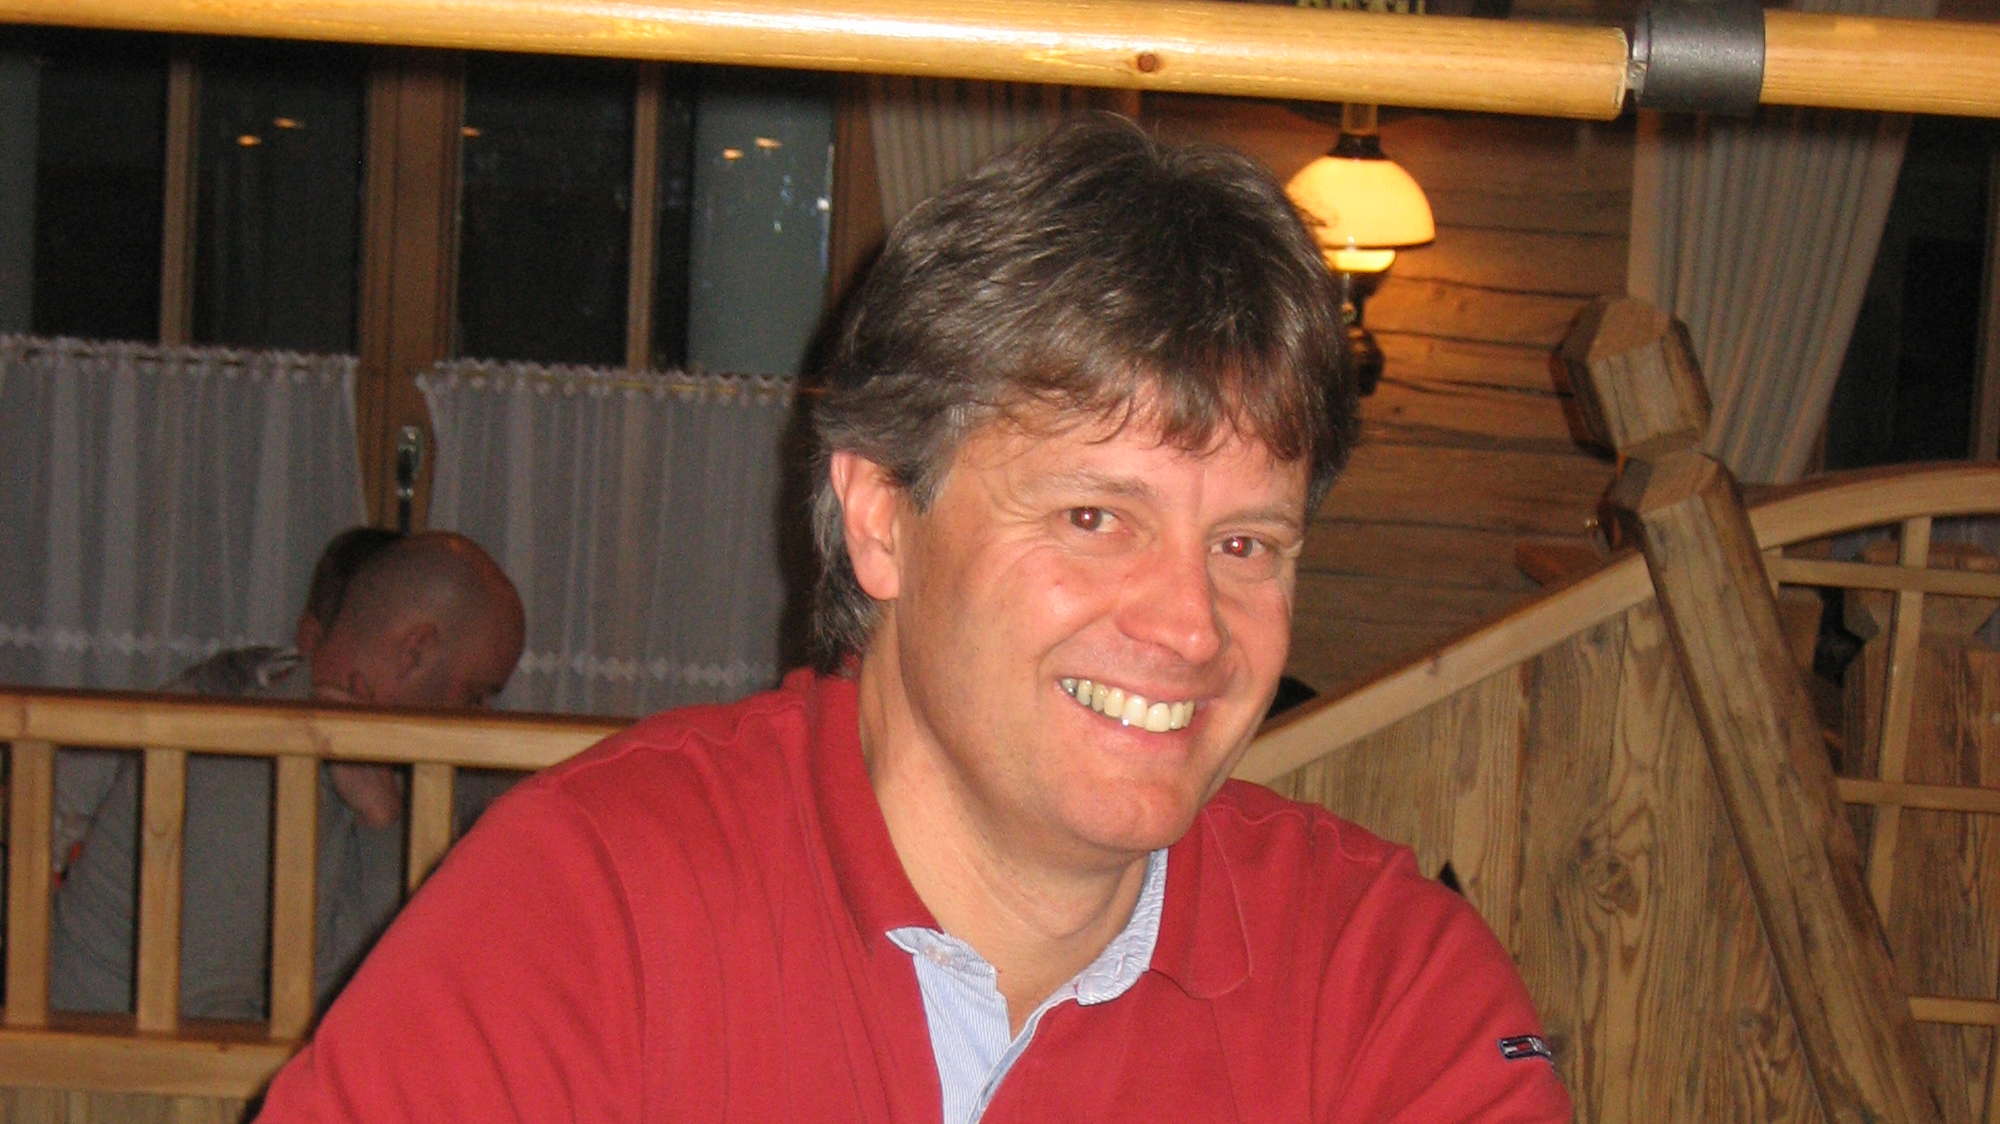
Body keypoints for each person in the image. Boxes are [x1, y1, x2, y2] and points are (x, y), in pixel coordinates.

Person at [257, 117, 1570, 1119]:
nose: (1191, 628)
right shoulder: (586, 903)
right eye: (1093, 517)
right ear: (880, 516)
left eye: (1245, 544)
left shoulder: (1383, 984)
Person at [50, 529, 525, 1021]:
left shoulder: (374, 766)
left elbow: (385, 986)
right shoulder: (240, 763)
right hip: (109, 1064)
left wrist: (383, 821)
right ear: (415, 652)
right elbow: (206, 1027)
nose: (480, 718)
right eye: (475, 695)